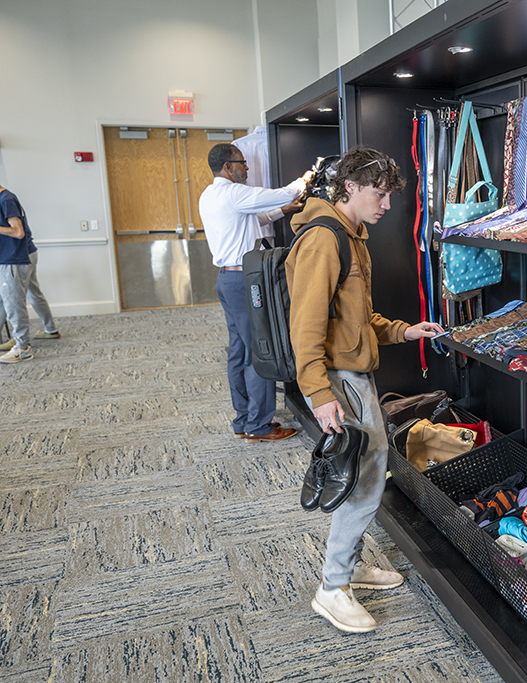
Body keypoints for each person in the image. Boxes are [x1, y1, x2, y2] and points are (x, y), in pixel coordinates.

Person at [285, 148, 443, 632]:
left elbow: (357, 317)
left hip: (352, 375)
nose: (388, 205)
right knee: (367, 478)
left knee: (365, 474)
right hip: (338, 380)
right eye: (380, 193)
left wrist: (403, 331)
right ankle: (333, 588)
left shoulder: (349, 235)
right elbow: (305, 326)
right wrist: (318, 393)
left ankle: (348, 567)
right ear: (349, 188)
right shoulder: (323, 239)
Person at [198, 143, 312, 442]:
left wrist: (282, 212)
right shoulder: (234, 194)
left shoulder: (210, 196)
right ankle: (258, 426)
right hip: (244, 282)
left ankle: (242, 420)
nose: (247, 168)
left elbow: (249, 220)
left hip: (227, 280)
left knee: (238, 352)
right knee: (260, 350)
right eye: (242, 163)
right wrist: (306, 179)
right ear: (227, 166)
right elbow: (283, 192)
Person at [0, 232, 60, 352]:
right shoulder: (16, 212)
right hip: (28, 252)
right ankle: (51, 329)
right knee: (34, 294)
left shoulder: (7, 212)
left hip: (18, 256)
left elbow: (18, 232)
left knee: (10, 299)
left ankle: (21, 342)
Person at [0, 184, 37, 363]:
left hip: (13, 259)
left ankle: (23, 348)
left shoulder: (6, 199)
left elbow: (18, 232)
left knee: (14, 305)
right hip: (7, 259)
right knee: (4, 302)